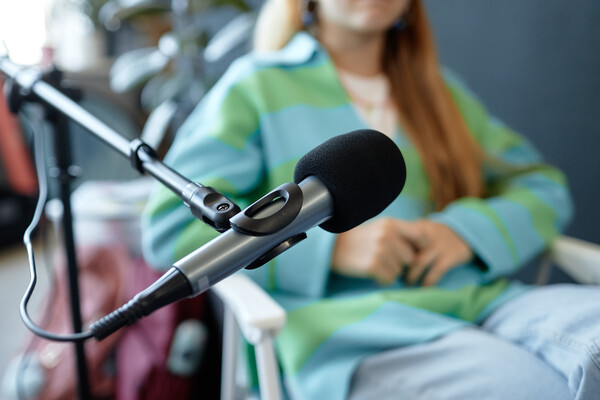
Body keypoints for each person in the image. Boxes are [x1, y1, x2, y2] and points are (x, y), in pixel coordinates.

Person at [141, 0, 600, 399]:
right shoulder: (256, 87)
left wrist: (465, 234)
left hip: (478, 301)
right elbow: (169, 227)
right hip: (355, 334)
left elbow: (542, 186)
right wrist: (333, 249)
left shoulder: (440, 94)